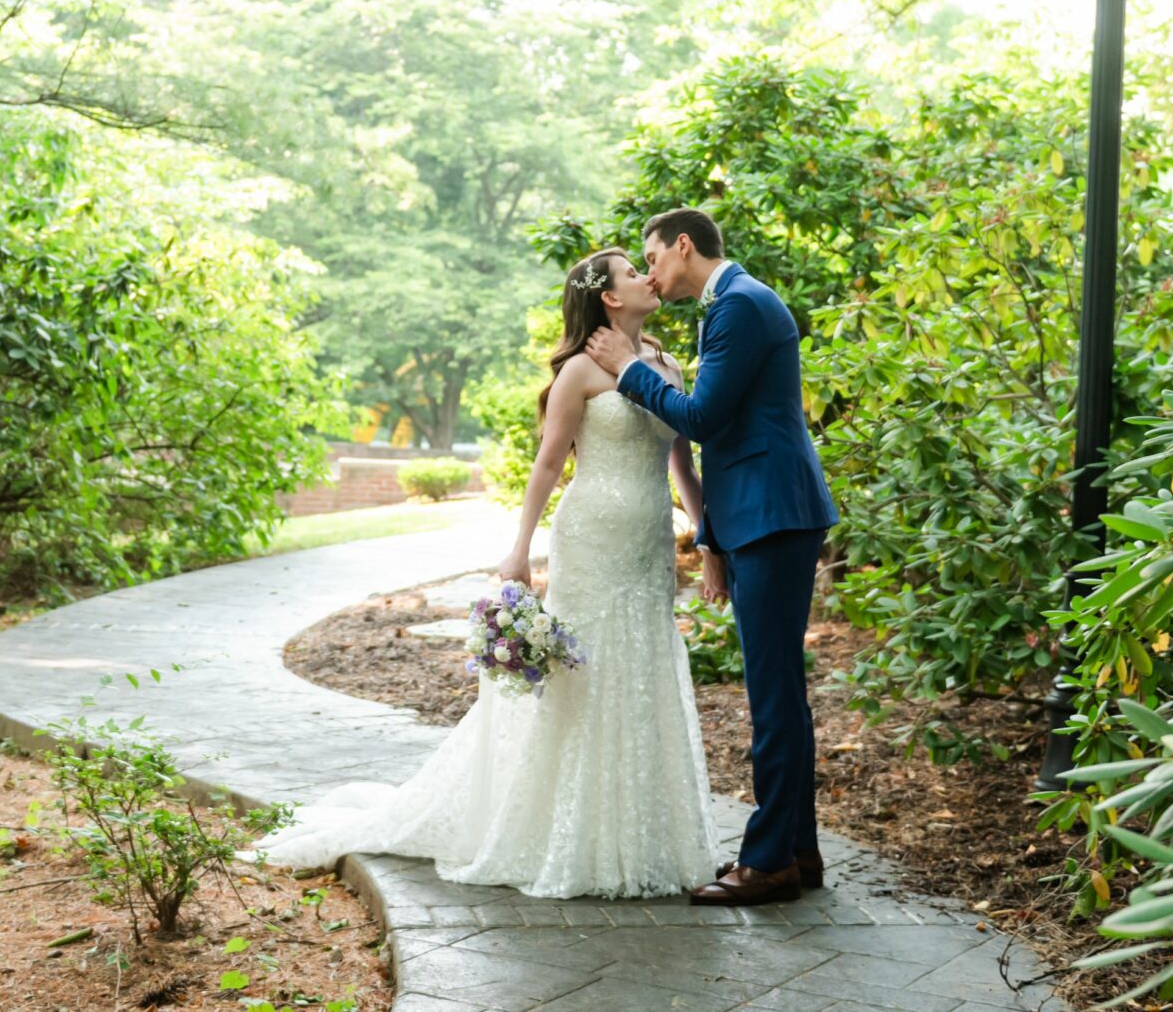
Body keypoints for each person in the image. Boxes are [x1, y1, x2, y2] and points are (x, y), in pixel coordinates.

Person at [253, 248, 721, 898]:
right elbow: (548, 464)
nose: (649, 276)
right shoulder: (581, 371)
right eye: (631, 271)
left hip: (646, 545)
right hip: (592, 540)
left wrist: (709, 540)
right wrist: (519, 550)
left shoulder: (666, 363)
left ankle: (641, 838)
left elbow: (683, 461)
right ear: (610, 299)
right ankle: (565, 834)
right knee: (580, 678)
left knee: (639, 671)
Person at [585, 207, 838, 906]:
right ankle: (796, 847)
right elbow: (724, 439)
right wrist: (713, 539)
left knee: (774, 694)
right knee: (779, 690)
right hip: (759, 517)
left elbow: (701, 419)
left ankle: (769, 863)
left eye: (653, 257)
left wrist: (630, 367)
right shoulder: (730, 305)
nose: (652, 271)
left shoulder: (742, 307)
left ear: (683, 246)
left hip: (774, 516)